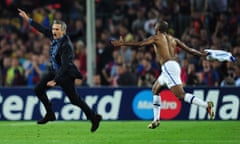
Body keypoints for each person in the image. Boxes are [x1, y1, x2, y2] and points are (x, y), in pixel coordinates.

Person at [111, 20, 214, 129]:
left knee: (180, 95)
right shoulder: (174, 39)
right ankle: (156, 120)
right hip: (171, 67)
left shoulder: (156, 37)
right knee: (155, 89)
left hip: (168, 67)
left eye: (155, 26)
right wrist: (202, 54)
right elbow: (191, 51)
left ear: (158, 29)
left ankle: (206, 105)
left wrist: (123, 43)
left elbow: (140, 44)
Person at [18, 9, 102, 132]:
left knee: (75, 100)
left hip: (65, 74)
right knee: (38, 89)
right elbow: (41, 29)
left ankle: (93, 117)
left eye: (57, 29)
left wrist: (55, 80)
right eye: (53, 29)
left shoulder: (66, 46)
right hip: (54, 71)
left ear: (63, 31)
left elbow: (65, 66)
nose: (54, 31)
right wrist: (28, 19)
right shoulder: (52, 35)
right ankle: (50, 114)